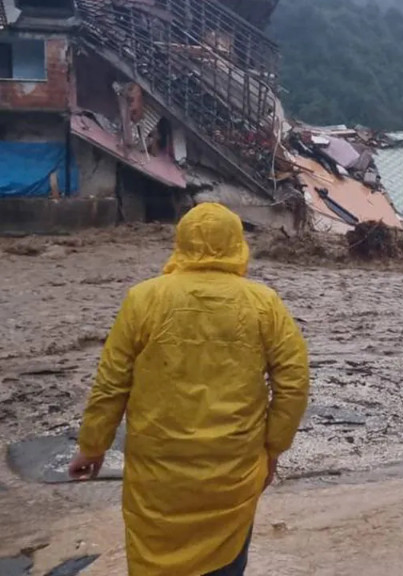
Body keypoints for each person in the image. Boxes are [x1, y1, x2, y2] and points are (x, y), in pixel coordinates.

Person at [69, 203, 310, 576]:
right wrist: (273, 447)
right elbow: (293, 380)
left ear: (180, 242)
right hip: (234, 467)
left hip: (157, 472)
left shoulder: (143, 299)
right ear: (237, 243)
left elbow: (112, 381)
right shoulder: (264, 304)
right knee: (225, 559)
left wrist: (92, 445)